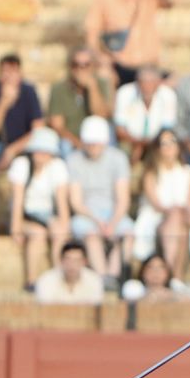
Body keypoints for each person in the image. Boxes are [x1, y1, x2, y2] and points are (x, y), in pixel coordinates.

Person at [65, 115, 133, 284]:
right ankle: (102, 277)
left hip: (113, 212)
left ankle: (113, 275)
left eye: (96, 143)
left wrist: (112, 222)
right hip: (87, 214)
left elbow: (123, 199)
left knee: (128, 234)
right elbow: (76, 202)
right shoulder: (74, 159)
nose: (93, 147)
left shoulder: (118, 158)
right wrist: (98, 221)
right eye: (90, 143)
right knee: (91, 234)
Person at [6, 127, 71, 289]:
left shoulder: (58, 167)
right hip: (26, 216)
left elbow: (62, 203)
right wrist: (16, 229)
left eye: (45, 151)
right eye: (39, 151)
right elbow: (18, 201)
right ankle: (31, 280)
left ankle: (59, 277)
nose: (41, 155)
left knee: (59, 232)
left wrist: (65, 227)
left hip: (48, 216)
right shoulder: (21, 165)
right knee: (38, 234)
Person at [133, 127, 190, 280]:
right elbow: (156, 204)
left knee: (181, 225)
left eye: (172, 142)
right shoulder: (151, 172)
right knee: (177, 220)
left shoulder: (186, 171)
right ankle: (173, 275)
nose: (168, 146)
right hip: (156, 217)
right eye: (164, 143)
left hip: (179, 218)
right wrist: (176, 211)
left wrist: (186, 213)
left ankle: (173, 275)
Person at [83, 0, 173, 87]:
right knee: (104, 79)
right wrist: (102, 62)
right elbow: (91, 31)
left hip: (147, 65)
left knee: (173, 82)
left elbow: (172, 0)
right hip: (118, 66)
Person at [0, 53, 44, 171]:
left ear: (20, 73)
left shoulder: (29, 91)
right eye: (5, 71)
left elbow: (38, 128)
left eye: (13, 71)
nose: (9, 77)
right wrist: (4, 102)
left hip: (23, 143)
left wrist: (12, 150)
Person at [45, 46, 113, 154]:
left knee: (109, 137)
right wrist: (78, 144)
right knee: (64, 146)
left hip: (95, 138)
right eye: (75, 65)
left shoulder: (101, 84)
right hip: (70, 139)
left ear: (93, 67)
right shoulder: (59, 89)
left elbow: (101, 116)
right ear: (70, 67)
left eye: (86, 65)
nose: (80, 70)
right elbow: (57, 126)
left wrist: (92, 88)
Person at [113, 65, 177, 163]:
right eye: (144, 82)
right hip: (131, 142)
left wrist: (145, 145)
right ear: (138, 82)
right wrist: (138, 144)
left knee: (168, 145)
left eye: (151, 83)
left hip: (157, 142)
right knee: (123, 150)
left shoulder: (168, 95)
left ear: (158, 83)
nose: (147, 87)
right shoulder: (125, 93)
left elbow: (167, 129)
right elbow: (120, 130)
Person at [33, 239, 102, 305]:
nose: (72, 265)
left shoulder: (94, 280)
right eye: (68, 260)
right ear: (61, 260)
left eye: (77, 260)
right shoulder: (46, 280)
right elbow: (45, 309)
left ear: (84, 262)